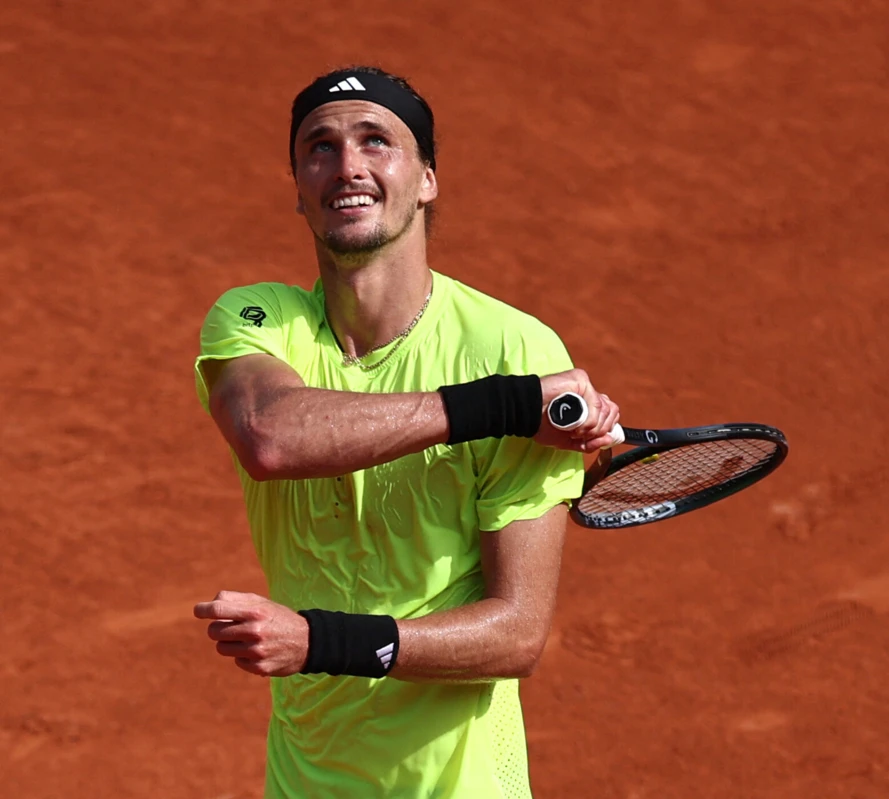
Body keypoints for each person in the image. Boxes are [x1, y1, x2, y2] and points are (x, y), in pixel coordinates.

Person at [190, 65, 621, 799]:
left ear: (426, 179)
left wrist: (320, 642)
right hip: (306, 780)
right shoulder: (259, 321)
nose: (347, 166)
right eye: (319, 147)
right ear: (297, 190)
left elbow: (516, 633)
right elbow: (269, 435)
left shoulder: (514, 350)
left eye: (376, 141)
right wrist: (504, 407)